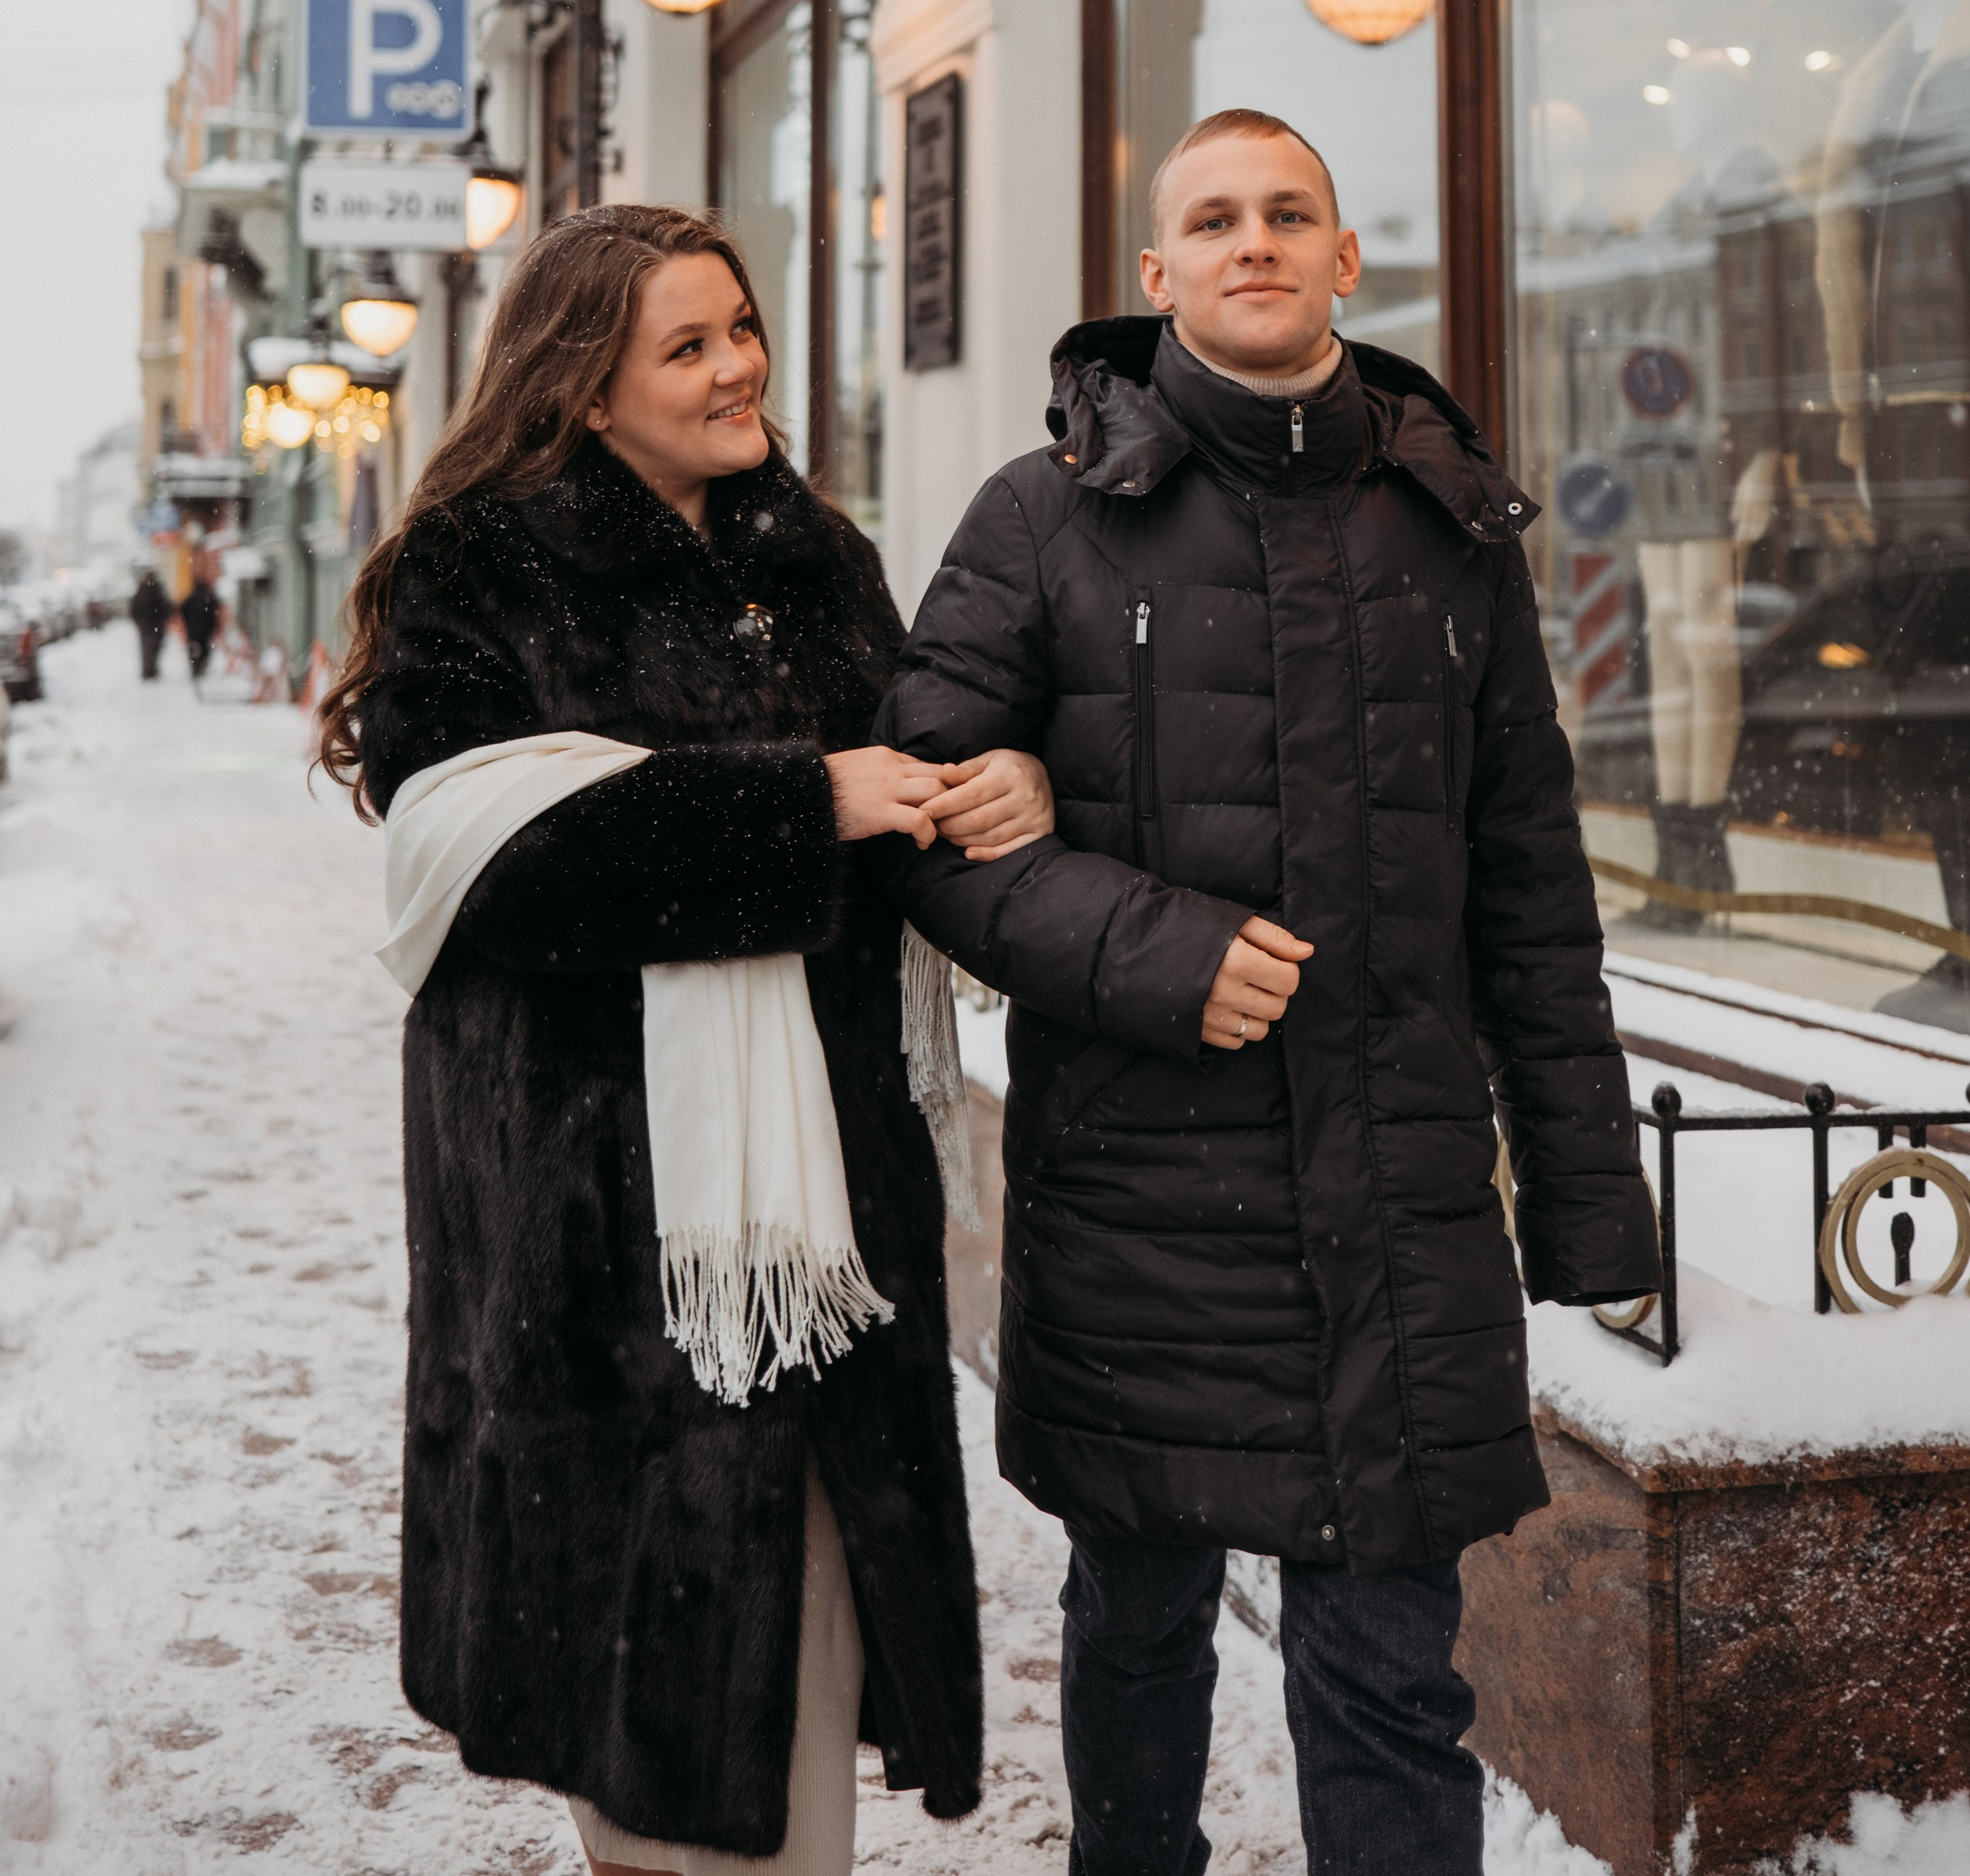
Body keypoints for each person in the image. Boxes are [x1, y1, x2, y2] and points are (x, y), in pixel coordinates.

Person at [876, 108, 1661, 1876]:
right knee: (1137, 1636)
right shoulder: (1041, 514)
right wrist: (1158, 951)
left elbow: (1529, 890)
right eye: (1216, 218)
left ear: (1341, 257)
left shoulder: (1448, 527)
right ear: (1157, 275)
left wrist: (1585, 1199)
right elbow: (921, 819)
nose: (1254, 240)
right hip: (1140, 1205)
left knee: (1392, 1679)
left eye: (1287, 213)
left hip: (1395, 1203)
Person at [315, 204, 1047, 1876]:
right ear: (584, 384)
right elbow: (490, 867)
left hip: (818, 1217)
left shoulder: (815, 556)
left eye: (744, 329)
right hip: (596, 1228)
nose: (739, 370)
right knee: (642, 1702)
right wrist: (797, 808)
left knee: (796, 1652)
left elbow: (901, 781)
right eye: (689, 345)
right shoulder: (475, 569)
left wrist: (1001, 785)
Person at [179, 571, 222, 683]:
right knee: (205, 647)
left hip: (193, 628)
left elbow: (183, 610)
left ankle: (195, 666)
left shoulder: (191, 596)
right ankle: (201, 665)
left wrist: (188, 622)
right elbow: (217, 607)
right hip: (206, 628)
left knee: (193, 647)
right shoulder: (209, 596)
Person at [130, 569, 171, 683]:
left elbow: (134, 610)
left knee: (147, 648)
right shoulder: (157, 590)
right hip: (156, 625)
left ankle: (148, 671)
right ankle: (151, 670)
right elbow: (165, 607)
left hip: (146, 625)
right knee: (154, 648)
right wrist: (163, 619)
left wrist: (140, 622)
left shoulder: (141, 591)